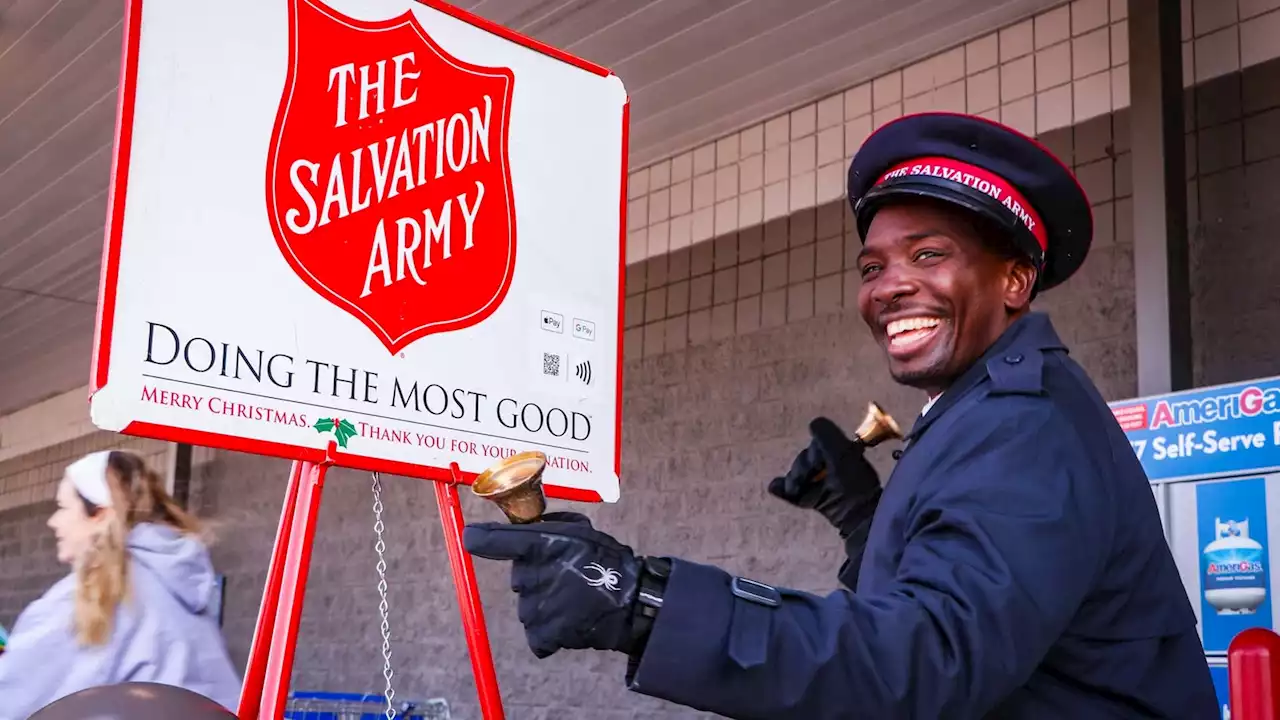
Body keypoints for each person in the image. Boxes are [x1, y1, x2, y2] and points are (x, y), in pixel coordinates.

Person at [462, 112, 1220, 718]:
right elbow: (947, 598)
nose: (888, 286)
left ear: (1016, 280)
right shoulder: (981, 408)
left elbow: (927, 662)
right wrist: (863, 517)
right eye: (874, 267)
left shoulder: (1025, 426)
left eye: (928, 255)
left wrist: (643, 602)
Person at [0, 449, 241, 719]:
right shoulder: (178, 585)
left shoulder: (91, 597)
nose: (53, 522)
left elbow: (12, 698)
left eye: (63, 508)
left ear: (100, 514)